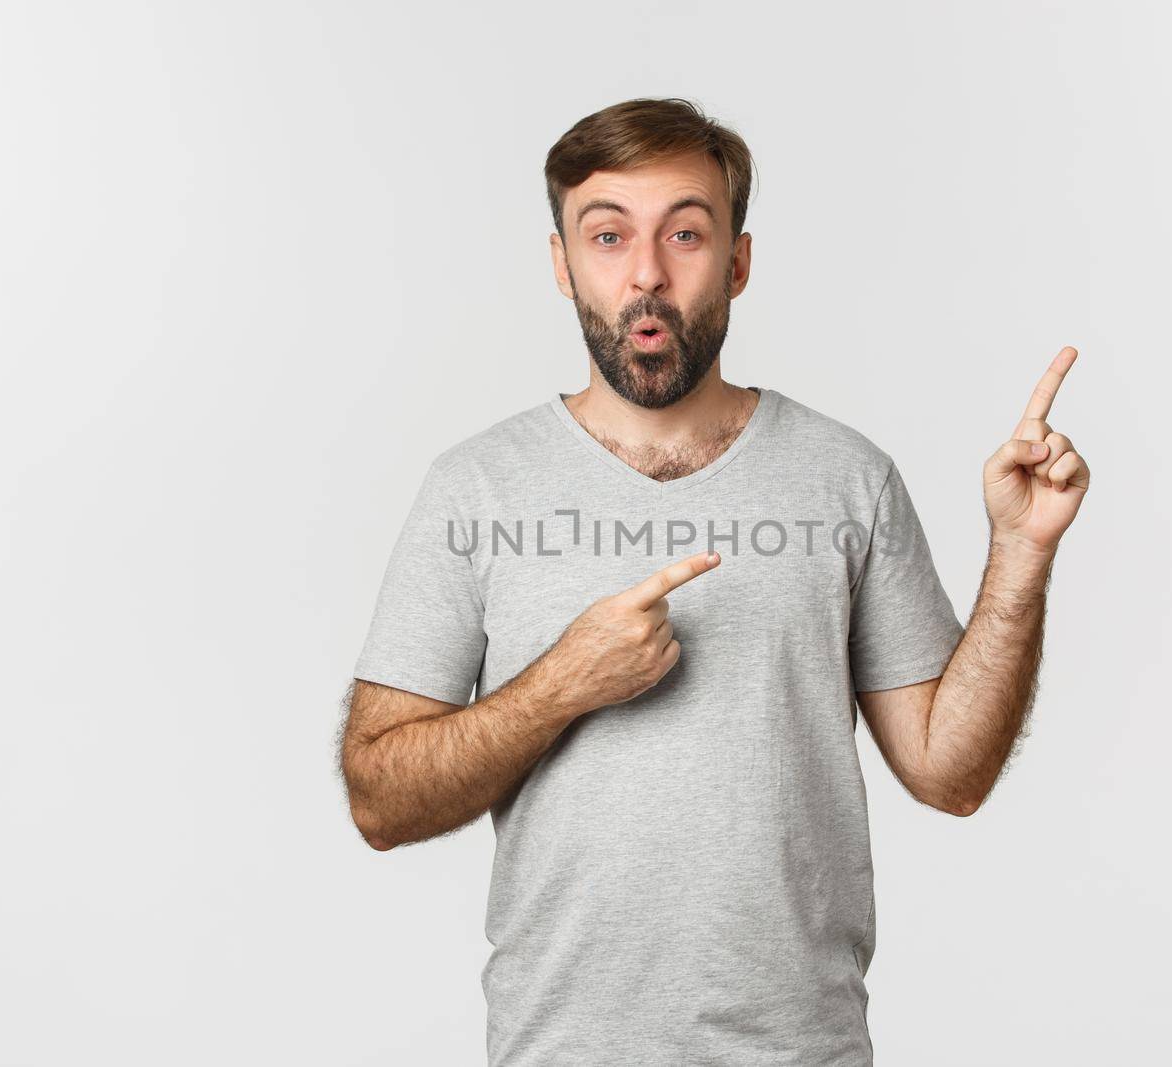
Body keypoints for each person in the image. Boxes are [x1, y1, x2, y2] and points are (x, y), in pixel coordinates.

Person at [338, 97, 1091, 1066]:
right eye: (607, 235)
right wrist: (564, 681)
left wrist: (1021, 553)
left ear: (736, 260)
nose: (646, 272)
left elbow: (950, 772)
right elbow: (378, 799)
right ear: (562, 264)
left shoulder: (845, 477)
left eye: (684, 233)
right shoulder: (474, 486)